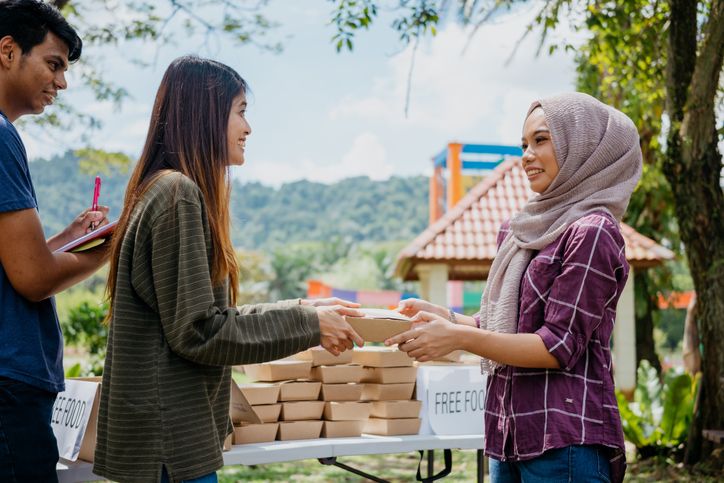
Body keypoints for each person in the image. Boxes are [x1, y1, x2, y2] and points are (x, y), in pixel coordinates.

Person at [93, 55, 364, 483]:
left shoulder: (161, 190)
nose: (248, 128)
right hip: (170, 451)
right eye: (240, 111)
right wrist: (308, 326)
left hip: (167, 447)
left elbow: (205, 319)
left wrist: (306, 309)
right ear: (205, 115)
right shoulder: (177, 194)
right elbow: (200, 331)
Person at [386, 92, 641, 483]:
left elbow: (556, 346)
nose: (526, 155)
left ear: (583, 146)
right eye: (524, 143)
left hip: (563, 441)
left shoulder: (592, 232)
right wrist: (449, 318)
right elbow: (504, 326)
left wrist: (457, 337)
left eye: (541, 140)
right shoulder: (521, 229)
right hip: (506, 434)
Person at [0, 1, 110, 481]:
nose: (61, 83)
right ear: (7, 51)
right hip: (9, 389)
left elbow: (18, 258)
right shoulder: (1, 137)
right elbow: (33, 277)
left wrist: (69, 237)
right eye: (53, 64)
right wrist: (112, 245)